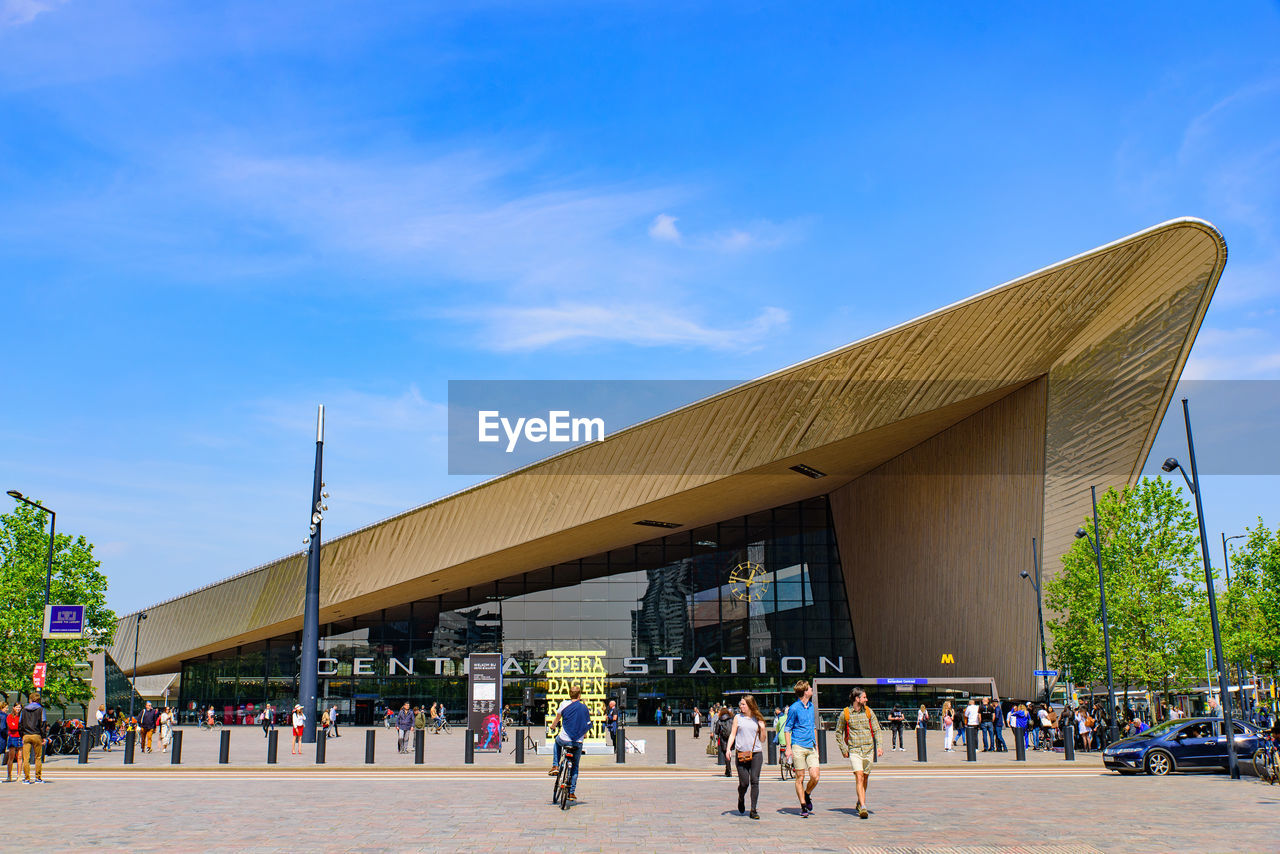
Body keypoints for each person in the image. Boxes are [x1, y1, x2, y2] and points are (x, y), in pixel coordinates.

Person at [835, 687, 883, 820]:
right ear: (857, 699)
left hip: (868, 749)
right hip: (854, 750)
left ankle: (859, 801)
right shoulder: (845, 713)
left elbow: (877, 730)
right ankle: (863, 806)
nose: (866, 699)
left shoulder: (868, 712)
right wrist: (844, 749)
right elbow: (838, 732)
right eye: (864, 697)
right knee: (859, 776)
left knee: (865, 778)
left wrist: (879, 746)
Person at [724, 694, 766, 820]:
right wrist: (728, 749)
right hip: (741, 754)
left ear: (750, 705)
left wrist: (763, 729)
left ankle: (753, 810)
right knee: (744, 783)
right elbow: (732, 734)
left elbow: (762, 740)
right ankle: (741, 798)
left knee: (755, 780)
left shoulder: (758, 718)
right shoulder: (738, 718)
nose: (740, 706)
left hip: (756, 753)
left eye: (743, 704)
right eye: (740, 704)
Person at [782, 680, 820, 817]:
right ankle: (803, 805)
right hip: (798, 745)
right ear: (805, 691)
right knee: (800, 776)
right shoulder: (794, 708)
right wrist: (788, 748)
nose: (811, 690)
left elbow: (813, 727)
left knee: (815, 776)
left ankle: (807, 793)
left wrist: (817, 746)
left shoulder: (811, 707)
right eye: (810, 688)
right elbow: (787, 728)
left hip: (811, 746)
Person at [550, 684, 591, 802]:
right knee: (575, 766)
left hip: (564, 739)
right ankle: (571, 792)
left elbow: (557, 718)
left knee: (557, 742)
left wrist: (553, 727)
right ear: (579, 695)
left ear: (569, 694)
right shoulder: (584, 708)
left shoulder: (563, 704)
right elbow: (587, 724)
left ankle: (555, 765)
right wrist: (584, 734)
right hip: (577, 741)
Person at [19, 692, 46, 783]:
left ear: (30, 699)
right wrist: (43, 736)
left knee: (26, 758)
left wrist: (22, 734)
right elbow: (43, 723)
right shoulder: (41, 709)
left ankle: (27, 778)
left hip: (26, 735)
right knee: (38, 757)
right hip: (36, 734)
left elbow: (20, 723)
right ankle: (38, 777)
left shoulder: (24, 710)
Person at [714, 704, 735, 778]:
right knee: (728, 753)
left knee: (726, 754)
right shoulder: (731, 719)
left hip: (723, 739)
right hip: (731, 738)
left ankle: (728, 770)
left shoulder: (719, 720)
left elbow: (716, 731)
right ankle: (727, 770)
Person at [1, 700, 17, 782]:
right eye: (6, 708)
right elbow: (3, 728)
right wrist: (7, 733)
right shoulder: (4, 716)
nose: (7, 709)